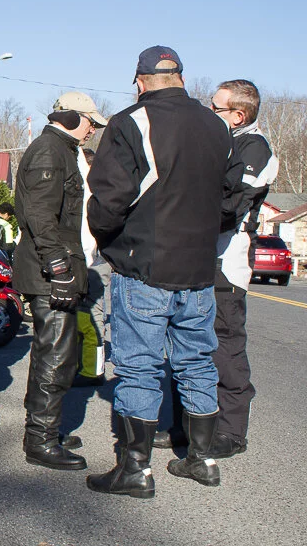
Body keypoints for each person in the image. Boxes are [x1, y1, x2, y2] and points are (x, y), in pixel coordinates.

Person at [85, 46, 243, 498]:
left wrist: (109, 240)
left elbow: (109, 200)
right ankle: (202, 459)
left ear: (140, 81)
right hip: (199, 267)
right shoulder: (216, 125)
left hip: (145, 264)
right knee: (197, 362)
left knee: (139, 366)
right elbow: (231, 196)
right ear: (182, 78)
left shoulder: (132, 121)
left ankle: (135, 468)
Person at [154, 80, 278, 458]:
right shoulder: (219, 143)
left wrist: (184, 211)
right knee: (185, 345)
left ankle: (230, 432)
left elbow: (231, 206)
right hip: (195, 258)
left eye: (216, 107)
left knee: (224, 347)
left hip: (226, 264)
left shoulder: (254, 148)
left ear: (238, 116)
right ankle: (187, 426)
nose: (208, 111)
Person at [13, 91, 104, 470]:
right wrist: (59, 266)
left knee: (57, 353)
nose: (92, 130)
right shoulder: (50, 151)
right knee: (55, 355)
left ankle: (45, 430)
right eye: (90, 122)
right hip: (50, 271)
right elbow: (39, 214)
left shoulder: (63, 150)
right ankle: (40, 440)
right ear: (70, 117)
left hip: (58, 267)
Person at [75, 147, 109, 388]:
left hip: (95, 261)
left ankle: (93, 371)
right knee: (83, 316)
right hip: (90, 259)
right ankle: (85, 365)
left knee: (92, 317)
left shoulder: (95, 191)